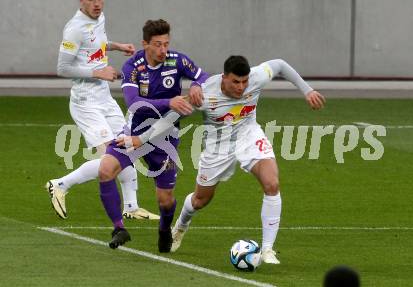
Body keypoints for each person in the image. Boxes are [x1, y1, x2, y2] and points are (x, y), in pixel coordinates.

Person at [121, 55, 325, 262]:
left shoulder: (256, 77)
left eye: (245, 81)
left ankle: (267, 249)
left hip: (249, 136)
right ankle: (180, 227)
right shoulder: (205, 93)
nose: (241, 87)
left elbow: (280, 64)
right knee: (200, 200)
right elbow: (171, 117)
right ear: (224, 77)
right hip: (218, 147)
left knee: (272, 184)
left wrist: (307, 90)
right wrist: (141, 138)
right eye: (236, 82)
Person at [46, 0, 159, 221]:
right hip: (86, 102)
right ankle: (60, 184)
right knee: (111, 157)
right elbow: (62, 68)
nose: (97, 3)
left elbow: (96, 44)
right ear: (81, 0)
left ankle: (131, 207)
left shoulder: (99, 18)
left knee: (127, 146)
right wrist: (97, 72)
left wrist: (117, 46)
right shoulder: (74, 29)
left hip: (104, 97)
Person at [98, 19, 209, 250]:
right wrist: (170, 101)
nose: (163, 50)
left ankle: (164, 228)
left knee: (165, 200)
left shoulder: (177, 60)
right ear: (145, 44)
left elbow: (204, 76)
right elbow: (133, 102)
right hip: (135, 131)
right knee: (105, 170)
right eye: (157, 45)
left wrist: (197, 85)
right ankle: (119, 227)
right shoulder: (133, 66)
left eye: (166, 44)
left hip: (165, 136)